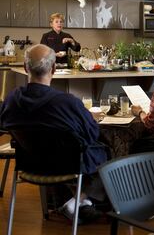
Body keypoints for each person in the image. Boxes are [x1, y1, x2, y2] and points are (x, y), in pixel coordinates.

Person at [0, 44, 107, 221]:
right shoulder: (67, 103)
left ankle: (78, 202)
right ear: (54, 69)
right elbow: (92, 134)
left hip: (30, 164)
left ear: (26, 68)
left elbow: (4, 124)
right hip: (68, 165)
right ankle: (77, 201)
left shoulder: (11, 99)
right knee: (105, 154)